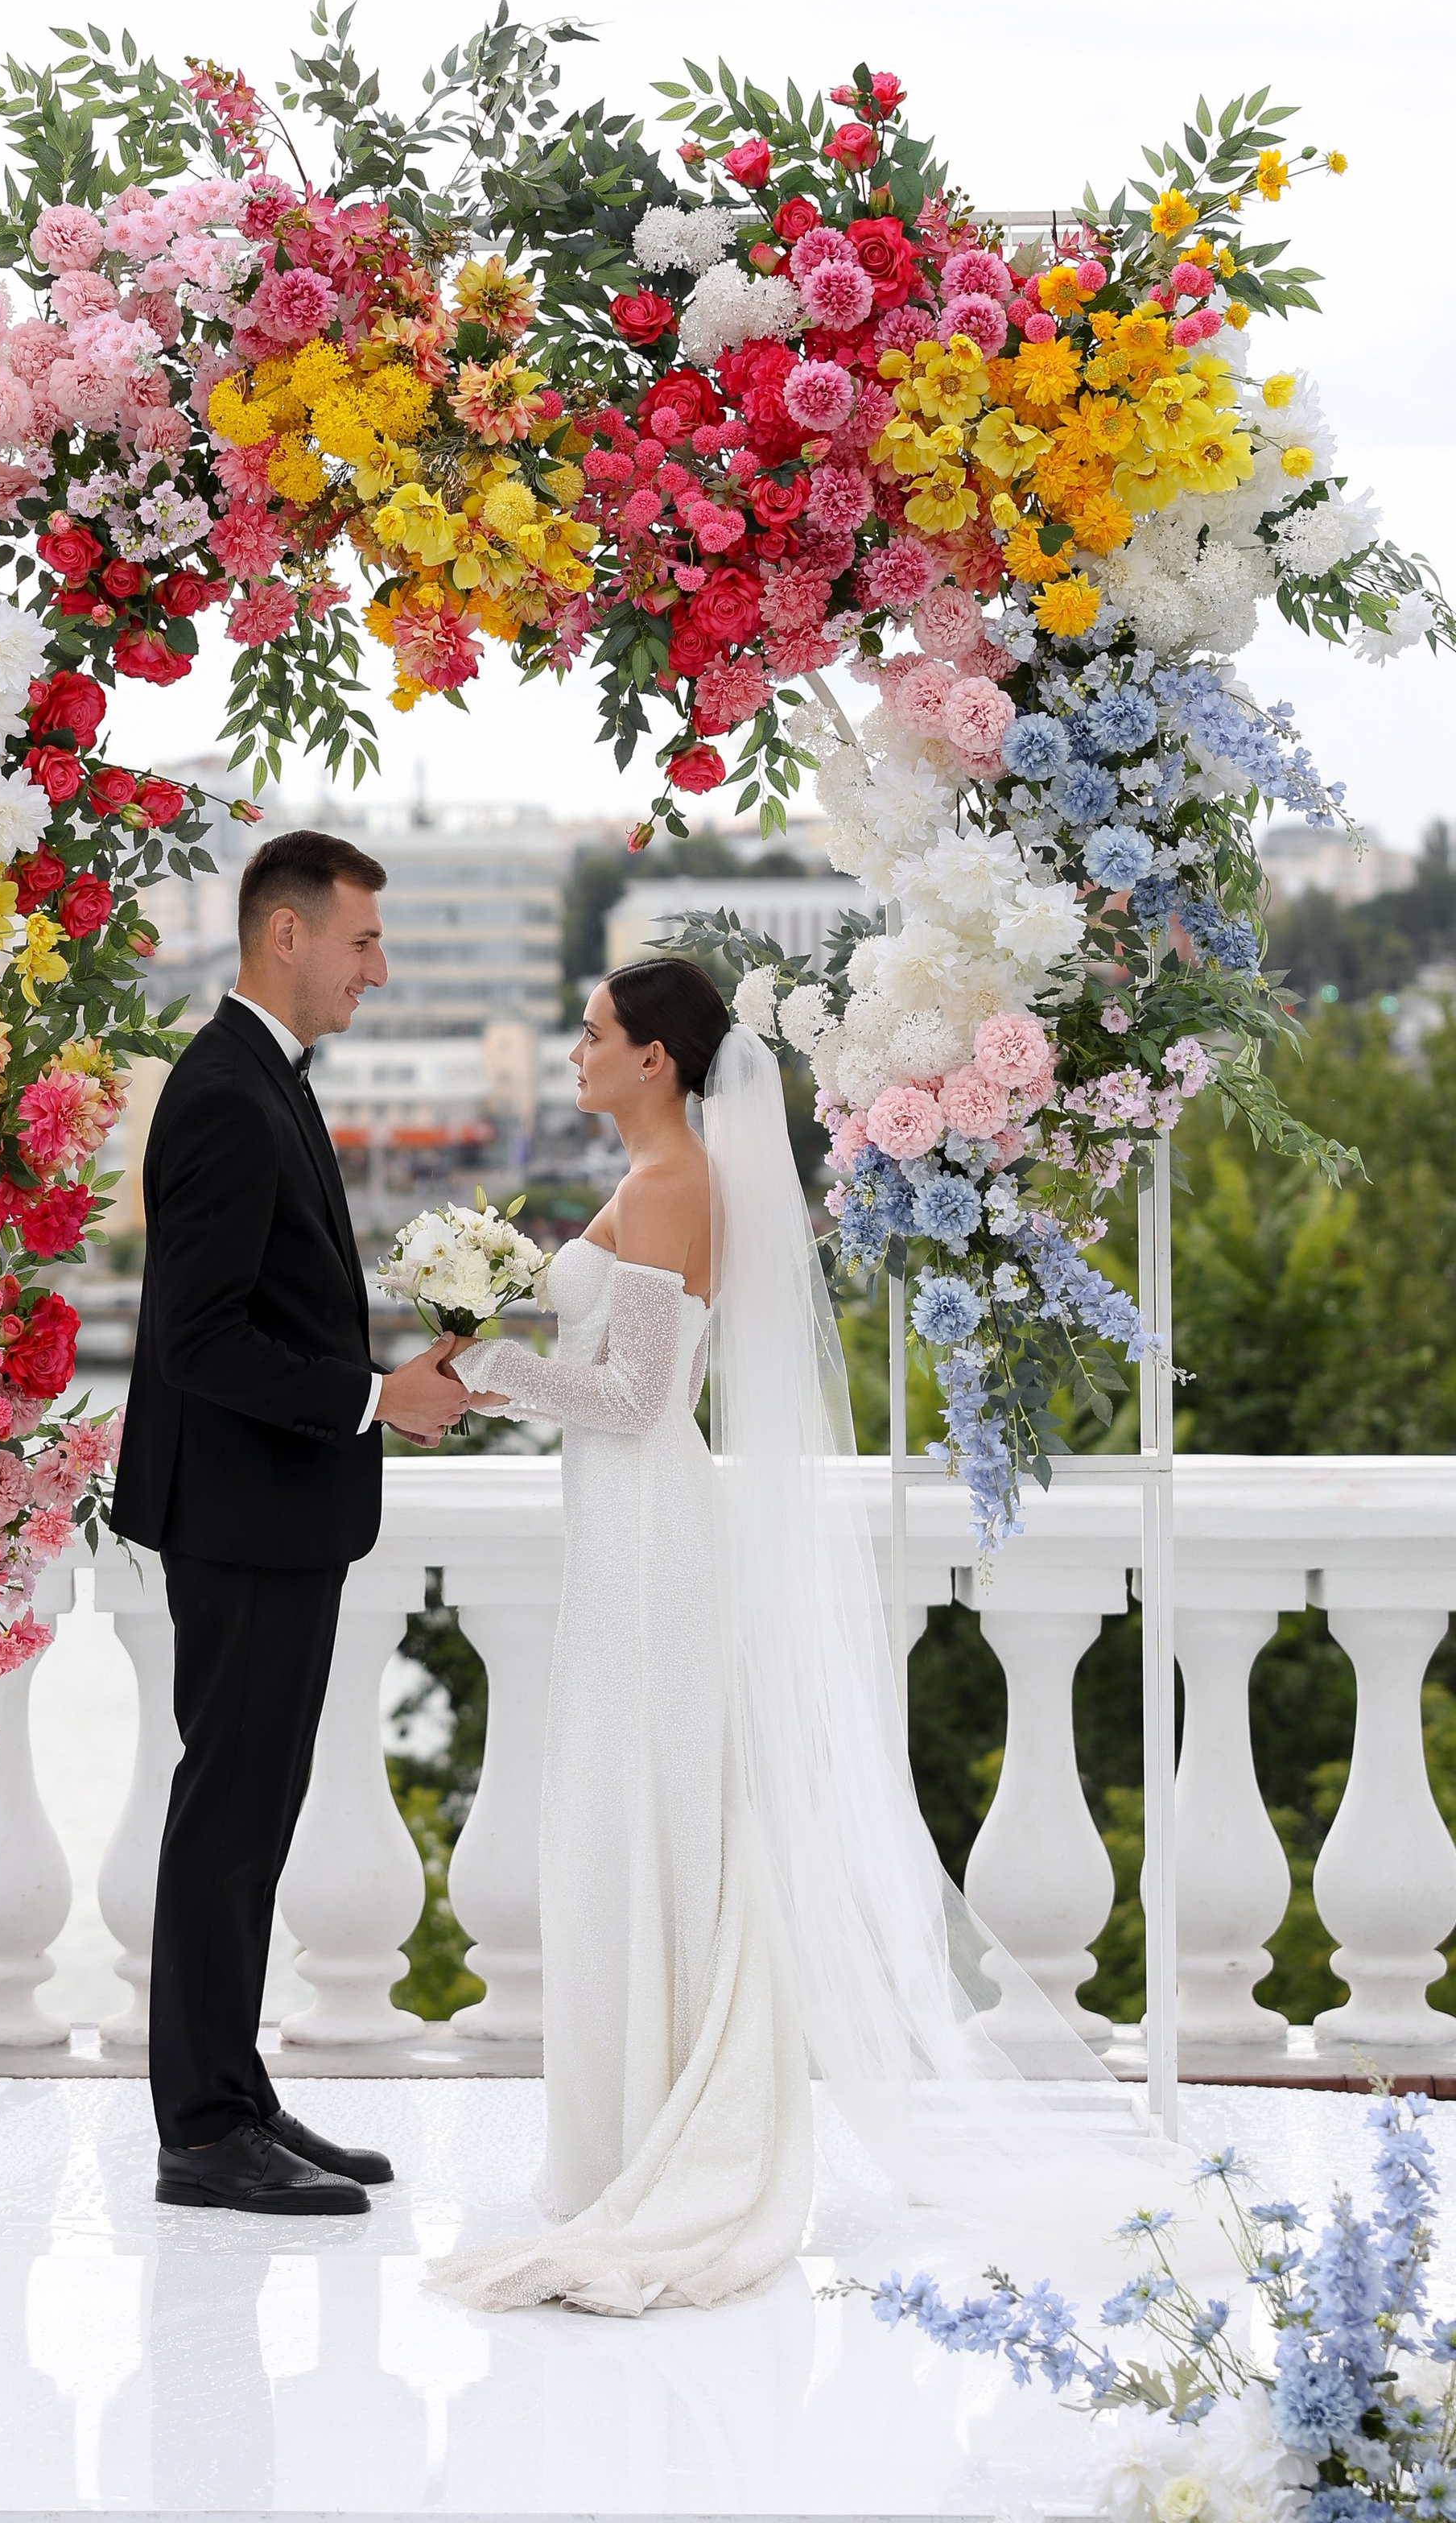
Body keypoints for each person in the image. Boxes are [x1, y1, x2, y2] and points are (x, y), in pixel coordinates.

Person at [427, 959, 1160, 2318]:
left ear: (655, 1058)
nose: (574, 1051)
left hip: (651, 1542)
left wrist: (479, 1374)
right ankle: (623, 2134)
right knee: (614, 1822)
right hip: (624, 1540)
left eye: (592, 1035)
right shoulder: (654, 1180)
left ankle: (665, 2135)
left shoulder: (671, 1185)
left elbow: (644, 1398)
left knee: (641, 1819)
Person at [112, 829, 470, 2219]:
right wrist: (375, 1398)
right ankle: (201, 2131)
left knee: (251, 1814)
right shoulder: (224, 1093)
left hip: (274, 1513)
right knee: (227, 1815)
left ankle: (236, 2096)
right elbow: (197, 1341)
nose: (377, 970)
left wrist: (385, 1390)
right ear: (286, 936)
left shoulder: (260, 1077)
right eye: (363, 943)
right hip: (244, 1513)